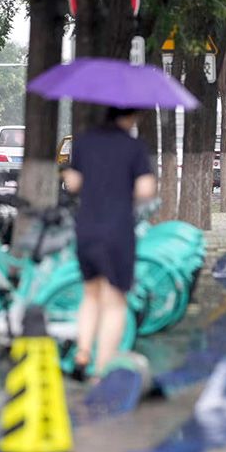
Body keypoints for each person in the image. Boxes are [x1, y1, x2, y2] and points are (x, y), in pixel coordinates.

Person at [62, 107, 157, 381]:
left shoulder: (84, 141)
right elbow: (146, 189)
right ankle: (102, 369)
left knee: (90, 294)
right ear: (130, 117)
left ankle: (82, 353)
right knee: (115, 301)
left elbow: (73, 181)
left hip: (87, 228)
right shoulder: (133, 147)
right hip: (117, 230)